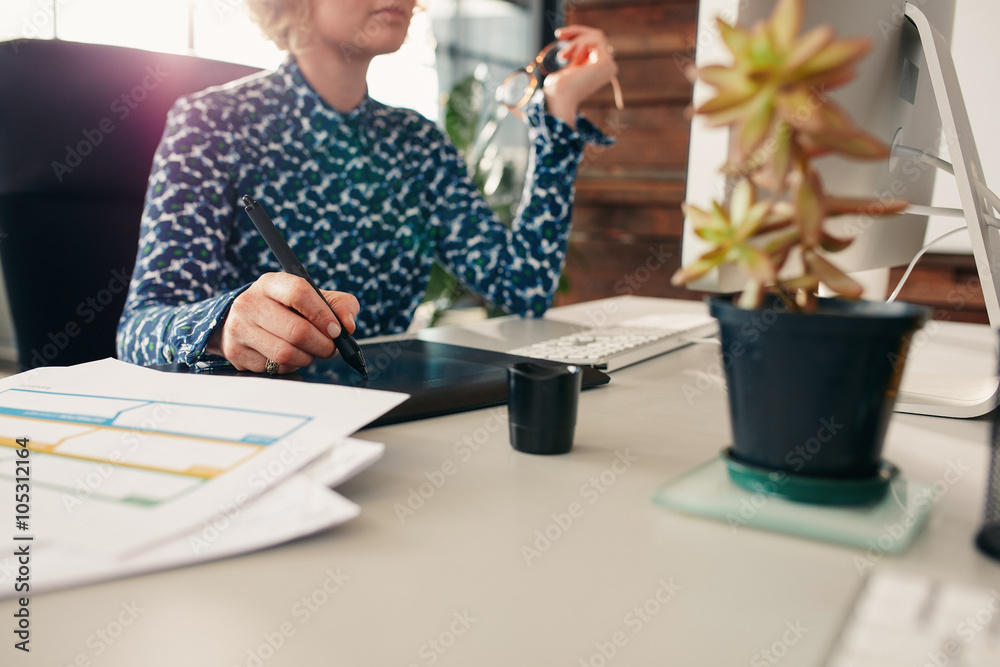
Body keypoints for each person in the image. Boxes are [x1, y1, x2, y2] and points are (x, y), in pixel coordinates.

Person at [116, 0, 618, 374]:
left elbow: (523, 287)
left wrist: (558, 111)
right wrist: (223, 325)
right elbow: (138, 328)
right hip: (264, 428)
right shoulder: (211, 124)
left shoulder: (416, 141)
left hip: (395, 417)